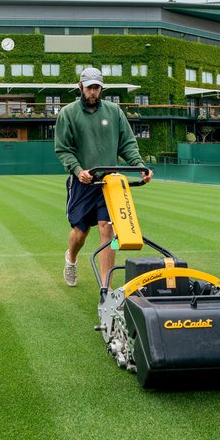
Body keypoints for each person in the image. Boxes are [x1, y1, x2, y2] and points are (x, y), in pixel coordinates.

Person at [54, 67, 152, 287]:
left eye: (97, 88)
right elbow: (63, 149)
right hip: (83, 182)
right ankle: (71, 258)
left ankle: (106, 288)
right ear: (81, 87)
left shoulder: (114, 112)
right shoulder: (68, 113)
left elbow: (127, 143)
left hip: (111, 183)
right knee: (80, 232)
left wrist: (139, 166)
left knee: (107, 230)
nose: (93, 92)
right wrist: (78, 170)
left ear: (101, 89)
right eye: (89, 88)